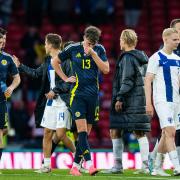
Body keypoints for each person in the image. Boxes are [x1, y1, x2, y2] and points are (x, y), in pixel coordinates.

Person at [13, 33, 76, 173]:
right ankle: (46, 166)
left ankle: (78, 157)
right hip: (50, 102)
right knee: (47, 132)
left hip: (63, 101)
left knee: (60, 134)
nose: (45, 46)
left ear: (51, 44)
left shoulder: (66, 60)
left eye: (46, 43)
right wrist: (20, 66)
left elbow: (70, 81)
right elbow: (36, 73)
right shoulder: (48, 60)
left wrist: (56, 91)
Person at [51, 25, 109, 176]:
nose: (90, 46)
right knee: (82, 131)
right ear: (84, 38)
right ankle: (90, 165)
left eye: (93, 44)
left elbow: (106, 69)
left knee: (84, 135)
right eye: (88, 43)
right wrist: (64, 78)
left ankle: (75, 167)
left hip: (93, 96)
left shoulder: (100, 50)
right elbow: (54, 62)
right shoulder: (73, 49)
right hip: (77, 95)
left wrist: (94, 54)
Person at [102, 29, 150, 174]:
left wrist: (119, 97)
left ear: (124, 40)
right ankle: (146, 166)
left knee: (115, 130)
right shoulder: (142, 57)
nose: (120, 42)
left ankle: (118, 166)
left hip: (128, 100)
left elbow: (127, 80)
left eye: (121, 40)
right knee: (139, 132)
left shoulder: (127, 57)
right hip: (140, 99)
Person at [145, 28, 180, 176]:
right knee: (170, 132)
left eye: (178, 39)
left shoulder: (178, 59)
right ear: (165, 39)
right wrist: (148, 102)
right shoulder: (156, 58)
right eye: (175, 40)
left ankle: (156, 164)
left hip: (176, 101)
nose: (178, 42)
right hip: (162, 100)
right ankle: (178, 166)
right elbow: (147, 80)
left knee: (166, 134)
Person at [0, 32, 21, 170]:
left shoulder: (7, 58)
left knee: (3, 130)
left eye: (4, 39)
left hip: (1, 98)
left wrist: (11, 88)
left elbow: (17, 78)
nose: (3, 42)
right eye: (0, 39)